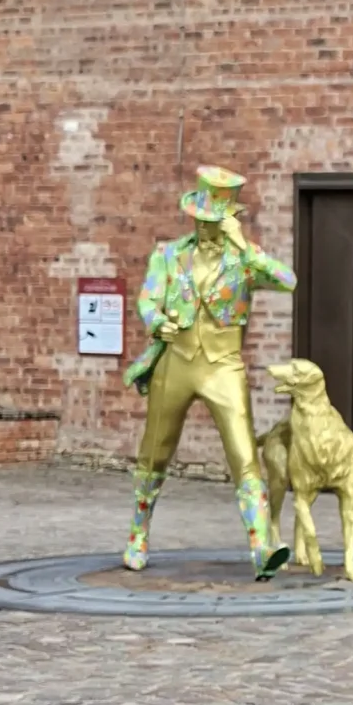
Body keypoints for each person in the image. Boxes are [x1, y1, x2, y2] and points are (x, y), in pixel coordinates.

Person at [121, 166, 295, 576]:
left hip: (223, 367)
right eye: (200, 218)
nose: (205, 226)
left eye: (214, 220)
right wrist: (155, 320)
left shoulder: (244, 261)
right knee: (155, 451)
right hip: (176, 362)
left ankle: (261, 547)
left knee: (243, 454)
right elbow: (148, 299)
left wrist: (247, 246)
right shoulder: (167, 255)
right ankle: (138, 533)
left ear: (229, 219)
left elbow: (289, 280)